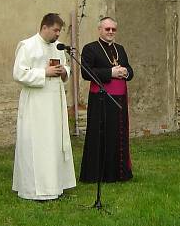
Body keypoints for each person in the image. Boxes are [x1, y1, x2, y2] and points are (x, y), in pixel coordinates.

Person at [12, 13, 76, 201]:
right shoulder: (27, 46)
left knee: (54, 142)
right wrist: (44, 72)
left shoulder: (57, 48)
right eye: (55, 30)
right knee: (37, 143)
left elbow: (66, 67)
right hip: (36, 104)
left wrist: (65, 71)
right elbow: (18, 74)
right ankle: (33, 189)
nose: (58, 34)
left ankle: (55, 184)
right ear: (45, 27)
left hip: (55, 102)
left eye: (60, 31)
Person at [79, 16, 134, 183]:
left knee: (119, 135)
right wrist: (111, 73)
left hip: (120, 101)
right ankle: (98, 174)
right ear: (100, 30)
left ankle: (119, 174)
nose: (110, 32)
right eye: (107, 29)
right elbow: (85, 72)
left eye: (113, 29)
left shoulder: (120, 48)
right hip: (100, 100)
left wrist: (126, 72)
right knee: (100, 135)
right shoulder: (90, 49)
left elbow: (130, 70)